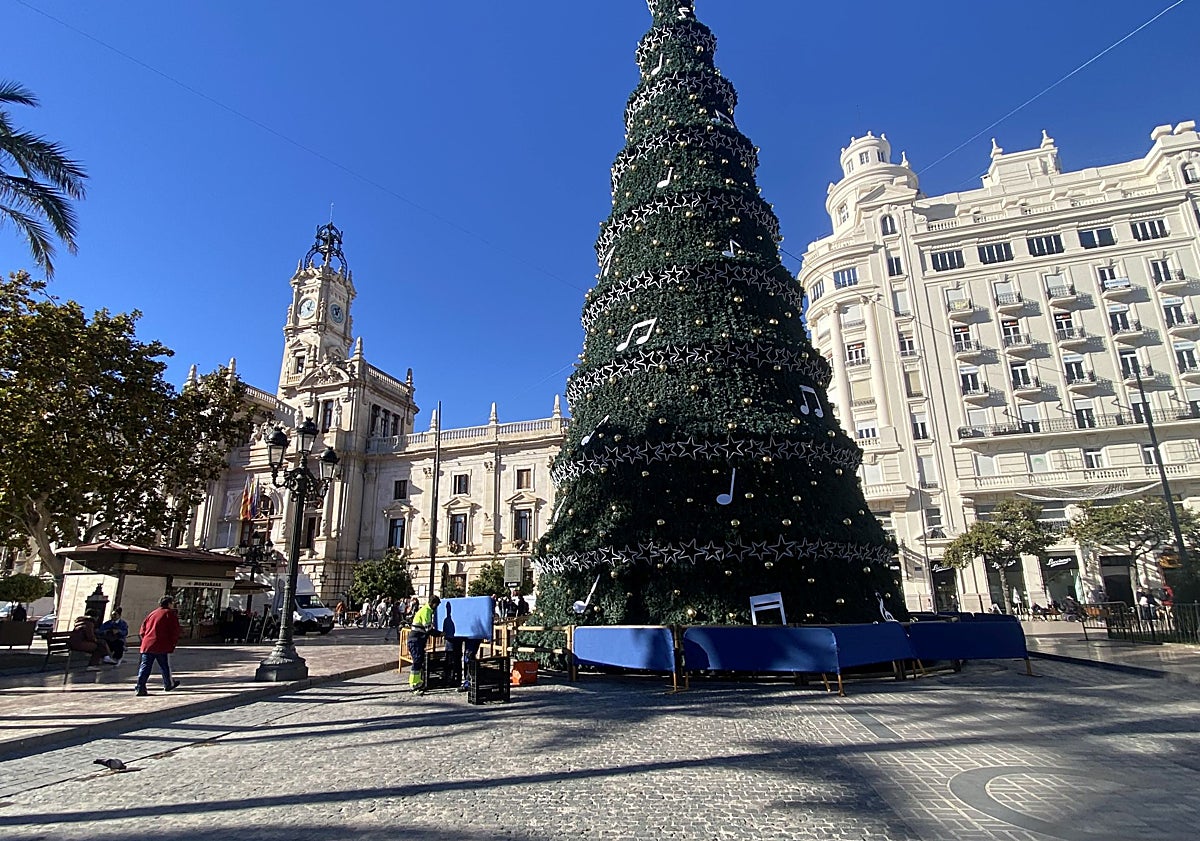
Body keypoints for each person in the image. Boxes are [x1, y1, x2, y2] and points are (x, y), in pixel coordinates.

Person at [135, 595, 182, 697]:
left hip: (147, 645)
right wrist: (172, 643)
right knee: (164, 666)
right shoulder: (169, 614)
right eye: (172, 603)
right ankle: (168, 683)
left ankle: (140, 686)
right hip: (161, 644)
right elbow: (174, 630)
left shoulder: (152, 614)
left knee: (145, 667)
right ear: (169, 604)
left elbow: (142, 630)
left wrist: (145, 640)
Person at [406, 595, 440, 693]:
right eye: (436, 605)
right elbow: (428, 629)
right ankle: (413, 684)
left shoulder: (426, 610)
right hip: (415, 640)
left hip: (418, 640)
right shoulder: (426, 611)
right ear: (433, 604)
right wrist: (440, 634)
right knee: (417, 661)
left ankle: (417, 682)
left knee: (419, 660)